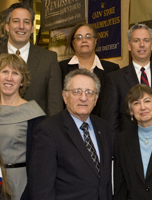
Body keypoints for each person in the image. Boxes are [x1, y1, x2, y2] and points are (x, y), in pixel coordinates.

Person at [28, 69, 114, 200]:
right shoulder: (48, 131)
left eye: (89, 92)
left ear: (96, 99)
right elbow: (41, 189)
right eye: (77, 92)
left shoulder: (104, 128)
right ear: (64, 96)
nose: (83, 98)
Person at [0, 2, 63, 116]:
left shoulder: (49, 59)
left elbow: (55, 105)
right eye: (16, 21)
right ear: (7, 26)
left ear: (32, 28)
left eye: (26, 22)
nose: (21, 26)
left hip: (38, 131)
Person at [101, 24, 152, 132]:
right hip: (128, 145)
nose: (142, 45)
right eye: (136, 41)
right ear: (129, 46)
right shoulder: (115, 79)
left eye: (146, 40)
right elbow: (110, 122)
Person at [0, 53, 46, 199]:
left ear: (22, 81)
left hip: (21, 182)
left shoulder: (33, 114)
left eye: (15, 73)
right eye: (4, 72)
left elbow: (40, 160)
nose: (9, 77)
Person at [59, 23, 120, 117]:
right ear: (73, 43)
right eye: (79, 37)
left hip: (102, 127)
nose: (84, 40)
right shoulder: (60, 68)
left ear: (95, 41)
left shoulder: (111, 69)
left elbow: (113, 105)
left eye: (88, 36)